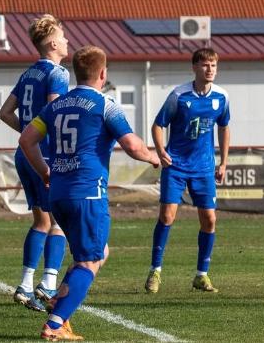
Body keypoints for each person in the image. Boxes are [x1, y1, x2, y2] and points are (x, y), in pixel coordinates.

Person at [19, 45, 159, 340]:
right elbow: (133, 146)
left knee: (98, 252)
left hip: (58, 193)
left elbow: (27, 139)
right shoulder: (105, 104)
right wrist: (153, 157)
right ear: (103, 73)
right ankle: (55, 324)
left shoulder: (57, 104)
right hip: (88, 195)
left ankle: (59, 301)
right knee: (90, 261)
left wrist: (45, 172)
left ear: (76, 72)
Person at [0, 14, 70, 312]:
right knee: (60, 223)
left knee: (41, 220)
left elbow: (4, 113)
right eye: (63, 37)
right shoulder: (59, 73)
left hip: (24, 154)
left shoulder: (28, 73)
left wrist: (28, 135)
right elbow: (56, 113)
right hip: (47, 154)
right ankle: (48, 282)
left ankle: (25, 284)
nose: (67, 41)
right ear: (53, 43)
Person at [144, 48, 231, 294]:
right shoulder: (179, 96)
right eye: (205, 65)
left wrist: (223, 162)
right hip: (177, 165)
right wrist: (161, 151)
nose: (210, 69)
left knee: (210, 220)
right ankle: (155, 271)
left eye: (213, 65)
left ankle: (201, 275)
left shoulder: (222, 97)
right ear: (194, 67)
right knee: (167, 216)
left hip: (204, 167)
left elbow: (224, 127)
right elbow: (158, 125)